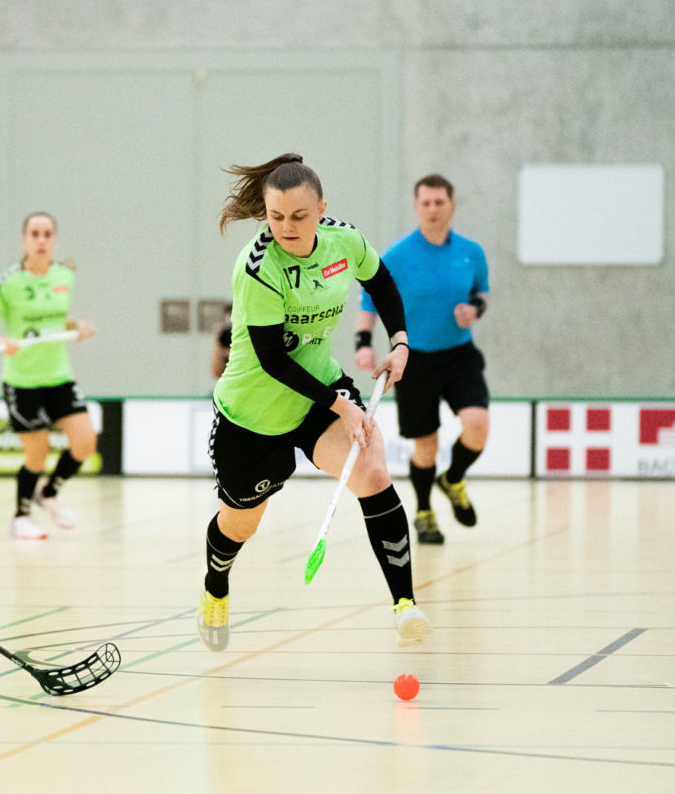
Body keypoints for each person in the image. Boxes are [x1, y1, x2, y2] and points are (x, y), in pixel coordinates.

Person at [201, 153, 431, 651]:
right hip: (252, 413)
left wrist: (400, 342)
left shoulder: (343, 241)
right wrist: (344, 405)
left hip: (318, 396)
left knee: (372, 472)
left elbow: (381, 281)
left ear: (321, 209)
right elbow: (271, 360)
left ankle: (405, 605)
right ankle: (215, 585)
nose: (287, 227)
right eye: (276, 216)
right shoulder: (257, 268)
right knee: (241, 524)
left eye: (299, 216)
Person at [354, 174, 489, 546]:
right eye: (425, 203)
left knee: (477, 425)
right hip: (414, 362)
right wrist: (363, 342)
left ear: (451, 205)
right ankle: (425, 511)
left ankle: (454, 478)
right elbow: (369, 302)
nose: (432, 209)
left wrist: (474, 310)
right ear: (416, 207)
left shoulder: (470, 252)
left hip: (460, 355)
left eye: (439, 202)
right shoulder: (397, 256)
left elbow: (483, 294)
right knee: (425, 445)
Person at [0, 212, 97, 540]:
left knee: (85, 443)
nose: (41, 240)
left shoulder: (64, 277)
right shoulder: (7, 283)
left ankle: (49, 493)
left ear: (54, 239)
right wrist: (1, 341)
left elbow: (57, 320)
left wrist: (77, 328)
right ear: (24, 239)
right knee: (38, 453)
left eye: (47, 234)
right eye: (35, 234)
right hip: (22, 380)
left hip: (59, 375)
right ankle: (21, 517)